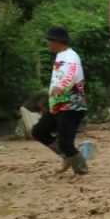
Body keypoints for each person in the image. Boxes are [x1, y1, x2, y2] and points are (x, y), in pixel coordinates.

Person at [32, 26, 89, 175]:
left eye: (49, 41)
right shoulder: (61, 56)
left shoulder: (70, 56)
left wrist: (61, 87)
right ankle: (67, 157)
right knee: (39, 131)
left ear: (57, 41)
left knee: (65, 142)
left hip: (72, 105)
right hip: (59, 104)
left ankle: (81, 171)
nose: (48, 44)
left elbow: (71, 73)